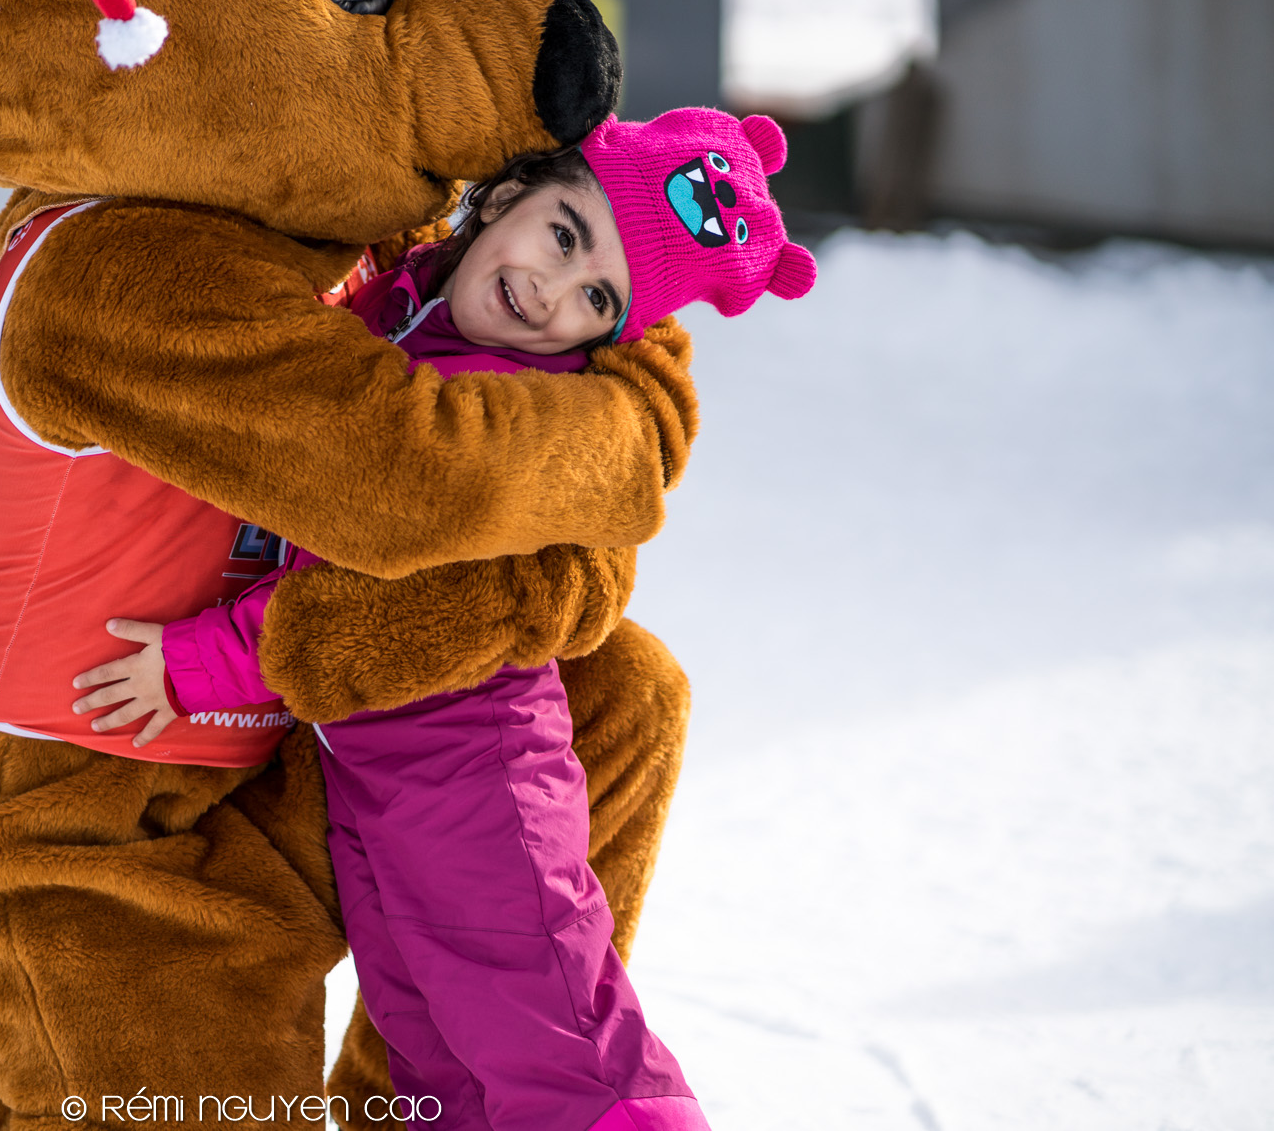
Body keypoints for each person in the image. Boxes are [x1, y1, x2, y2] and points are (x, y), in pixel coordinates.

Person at [73, 108, 818, 1131]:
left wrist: (205, 665)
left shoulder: (508, 421)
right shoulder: (417, 303)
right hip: (378, 785)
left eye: (595, 297)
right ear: (509, 194)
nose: (551, 290)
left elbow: (394, 601)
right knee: (430, 1064)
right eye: (564, 235)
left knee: (558, 1047)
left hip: (478, 783)